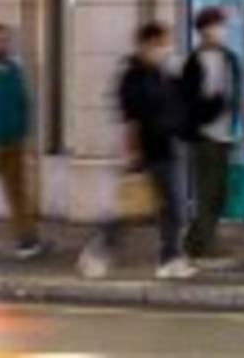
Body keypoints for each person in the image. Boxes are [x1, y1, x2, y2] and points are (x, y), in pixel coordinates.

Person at [79, 23, 193, 281]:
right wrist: (132, 153)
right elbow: (131, 118)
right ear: (147, 45)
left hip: (166, 147)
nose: (166, 49)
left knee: (171, 208)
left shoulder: (160, 73)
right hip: (147, 151)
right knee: (133, 209)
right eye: (162, 44)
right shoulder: (133, 76)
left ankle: (170, 258)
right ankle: (98, 251)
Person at [179, 6, 240, 265]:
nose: (221, 30)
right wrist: (214, 104)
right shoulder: (194, 62)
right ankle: (206, 244)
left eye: (222, 25)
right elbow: (190, 102)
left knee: (218, 191)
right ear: (203, 29)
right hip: (204, 135)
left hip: (224, 133)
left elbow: (234, 93)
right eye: (216, 25)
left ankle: (194, 241)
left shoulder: (229, 58)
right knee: (208, 191)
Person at [0, 24, 42, 258]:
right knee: (17, 191)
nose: (3, 45)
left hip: (13, 141)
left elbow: (23, 101)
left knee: (18, 192)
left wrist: (23, 130)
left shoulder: (14, 68)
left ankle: (27, 239)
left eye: (5, 40)